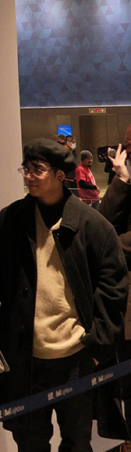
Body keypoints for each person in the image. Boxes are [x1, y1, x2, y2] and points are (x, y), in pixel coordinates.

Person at [0, 139, 127, 452]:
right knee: (30, 442)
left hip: (75, 357)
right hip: (26, 359)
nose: (28, 177)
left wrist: (96, 346)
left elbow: (113, 285)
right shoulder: (12, 218)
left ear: (60, 175)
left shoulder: (92, 224)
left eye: (38, 170)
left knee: (77, 442)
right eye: (26, 169)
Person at [99, 125, 131, 441]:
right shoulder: (126, 184)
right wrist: (121, 180)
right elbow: (101, 227)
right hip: (126, 306)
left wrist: (113, 246)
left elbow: (110, 242)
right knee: (128, 386)